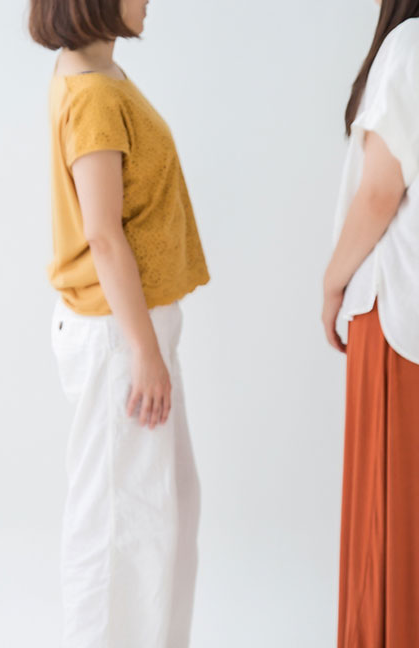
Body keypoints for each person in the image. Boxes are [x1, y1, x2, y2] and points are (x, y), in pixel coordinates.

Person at [29, 1, 210, 645]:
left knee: (164, 513)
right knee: (119, 529)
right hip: (119, 338)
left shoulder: (96, 75)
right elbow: (103, 236)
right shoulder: (95, 96)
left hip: (130, 332)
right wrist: (144, 351)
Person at [323, 1, 419, 645]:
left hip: (398, 312)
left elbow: (381, 188)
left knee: (389, 527)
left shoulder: (410, 44)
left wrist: (331, 281)